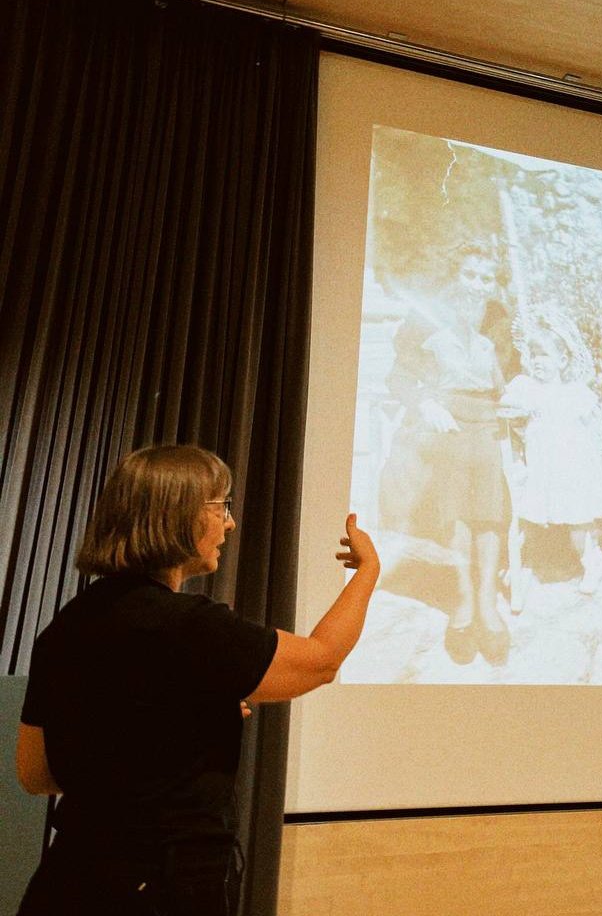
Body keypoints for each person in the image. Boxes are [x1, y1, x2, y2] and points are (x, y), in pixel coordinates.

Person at [15, 445, 380, 916]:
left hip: (67, 879)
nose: (229, 523)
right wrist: (368, 571)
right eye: (221, 506)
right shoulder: (187, 625)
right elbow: (321, 662)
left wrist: (178, 726)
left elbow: (35, 774)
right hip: (159, 886)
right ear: (180, 513)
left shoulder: (65, 627)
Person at [379, 242, 511, 665]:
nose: (476, 285)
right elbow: (399, 375)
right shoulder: (426, 316)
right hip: (441, 417)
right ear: (455, 275)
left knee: (488, 483)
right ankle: (464, 600)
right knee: (455, 484)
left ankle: (488, 604)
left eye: (486, 278)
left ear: (495, 284)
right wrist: (425, 403)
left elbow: (510, 376)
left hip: (488, 418)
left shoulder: (500, 321)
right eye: (469, 274)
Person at [499, 310, 602, 597]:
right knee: (528, 516)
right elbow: (508, 410)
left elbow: (595, 428)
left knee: (579, 523)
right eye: (534, 355)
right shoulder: (526, 389)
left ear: (563, 361)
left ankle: (594, 562)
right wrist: (520, 413)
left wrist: (592, 463)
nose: (538, 361)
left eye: (546, 356)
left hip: (572, 467)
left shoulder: (574, 393)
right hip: (541, 467)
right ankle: (517, 565)